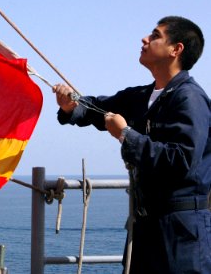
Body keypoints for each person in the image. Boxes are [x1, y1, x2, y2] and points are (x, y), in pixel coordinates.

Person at [53, 16, 211, 273]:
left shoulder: (190, 98)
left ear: (176, 49)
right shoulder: (141, 97)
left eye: (155, 35)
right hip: (145, 228)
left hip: (181, 231)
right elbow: (97, 108)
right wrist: (72, 106)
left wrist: (126, 135)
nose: (145, 39)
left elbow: (182, 160)